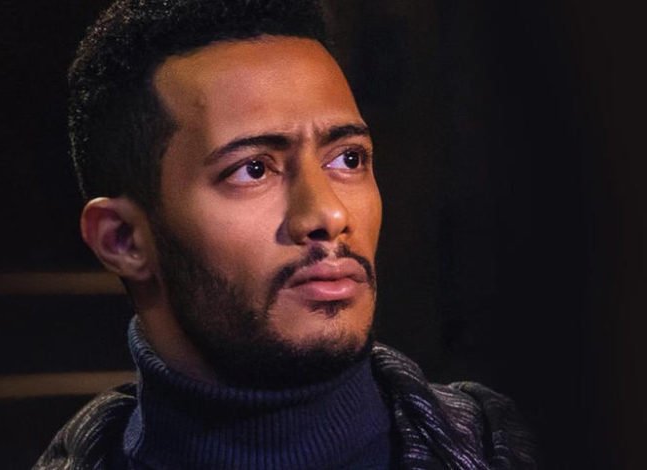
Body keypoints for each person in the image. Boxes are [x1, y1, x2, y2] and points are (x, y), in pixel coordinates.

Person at [35, 0, 536, 468]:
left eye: (348, 159)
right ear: (123, 239)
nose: (328, 213)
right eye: (253, 169)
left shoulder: (513, 448)